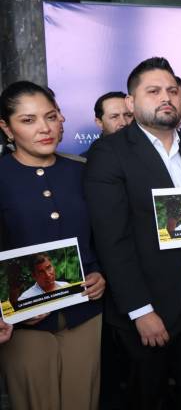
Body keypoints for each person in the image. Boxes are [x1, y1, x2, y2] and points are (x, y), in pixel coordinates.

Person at [84, 57, 181, 410]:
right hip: (148, 309)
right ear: (131, 103)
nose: (166, 97)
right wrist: (140, 310)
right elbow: (111, 239)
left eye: (173, 91)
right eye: (154, 91)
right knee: (147, 398)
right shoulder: (110, 152)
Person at [0, 80, 106, 410]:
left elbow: (106, 234)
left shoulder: (83, 171)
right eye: (28, 120)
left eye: (50, 116)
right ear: (6, 127)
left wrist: (102, 273)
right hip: (22, 321)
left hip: (85, 312)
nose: (44, 128)